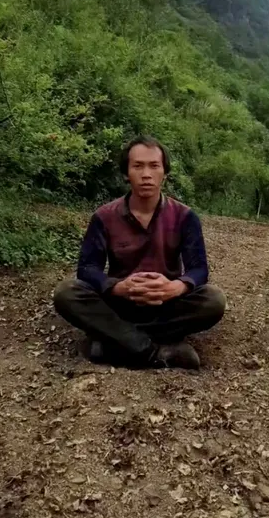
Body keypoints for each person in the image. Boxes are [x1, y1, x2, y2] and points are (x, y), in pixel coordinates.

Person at [54, 136, 226, 370]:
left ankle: (112, 341)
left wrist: (176, 287)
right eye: (138, 166)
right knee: (67, 292)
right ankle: (154, 351)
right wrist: (117, 287)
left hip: (166, 306)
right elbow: (87, 268)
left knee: (213, 300)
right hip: (120, 303)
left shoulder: (185, 217)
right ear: (126, 173)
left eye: (154, 166)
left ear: (164, 172)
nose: (146, 174)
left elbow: (199, 269)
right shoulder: (104, 216)